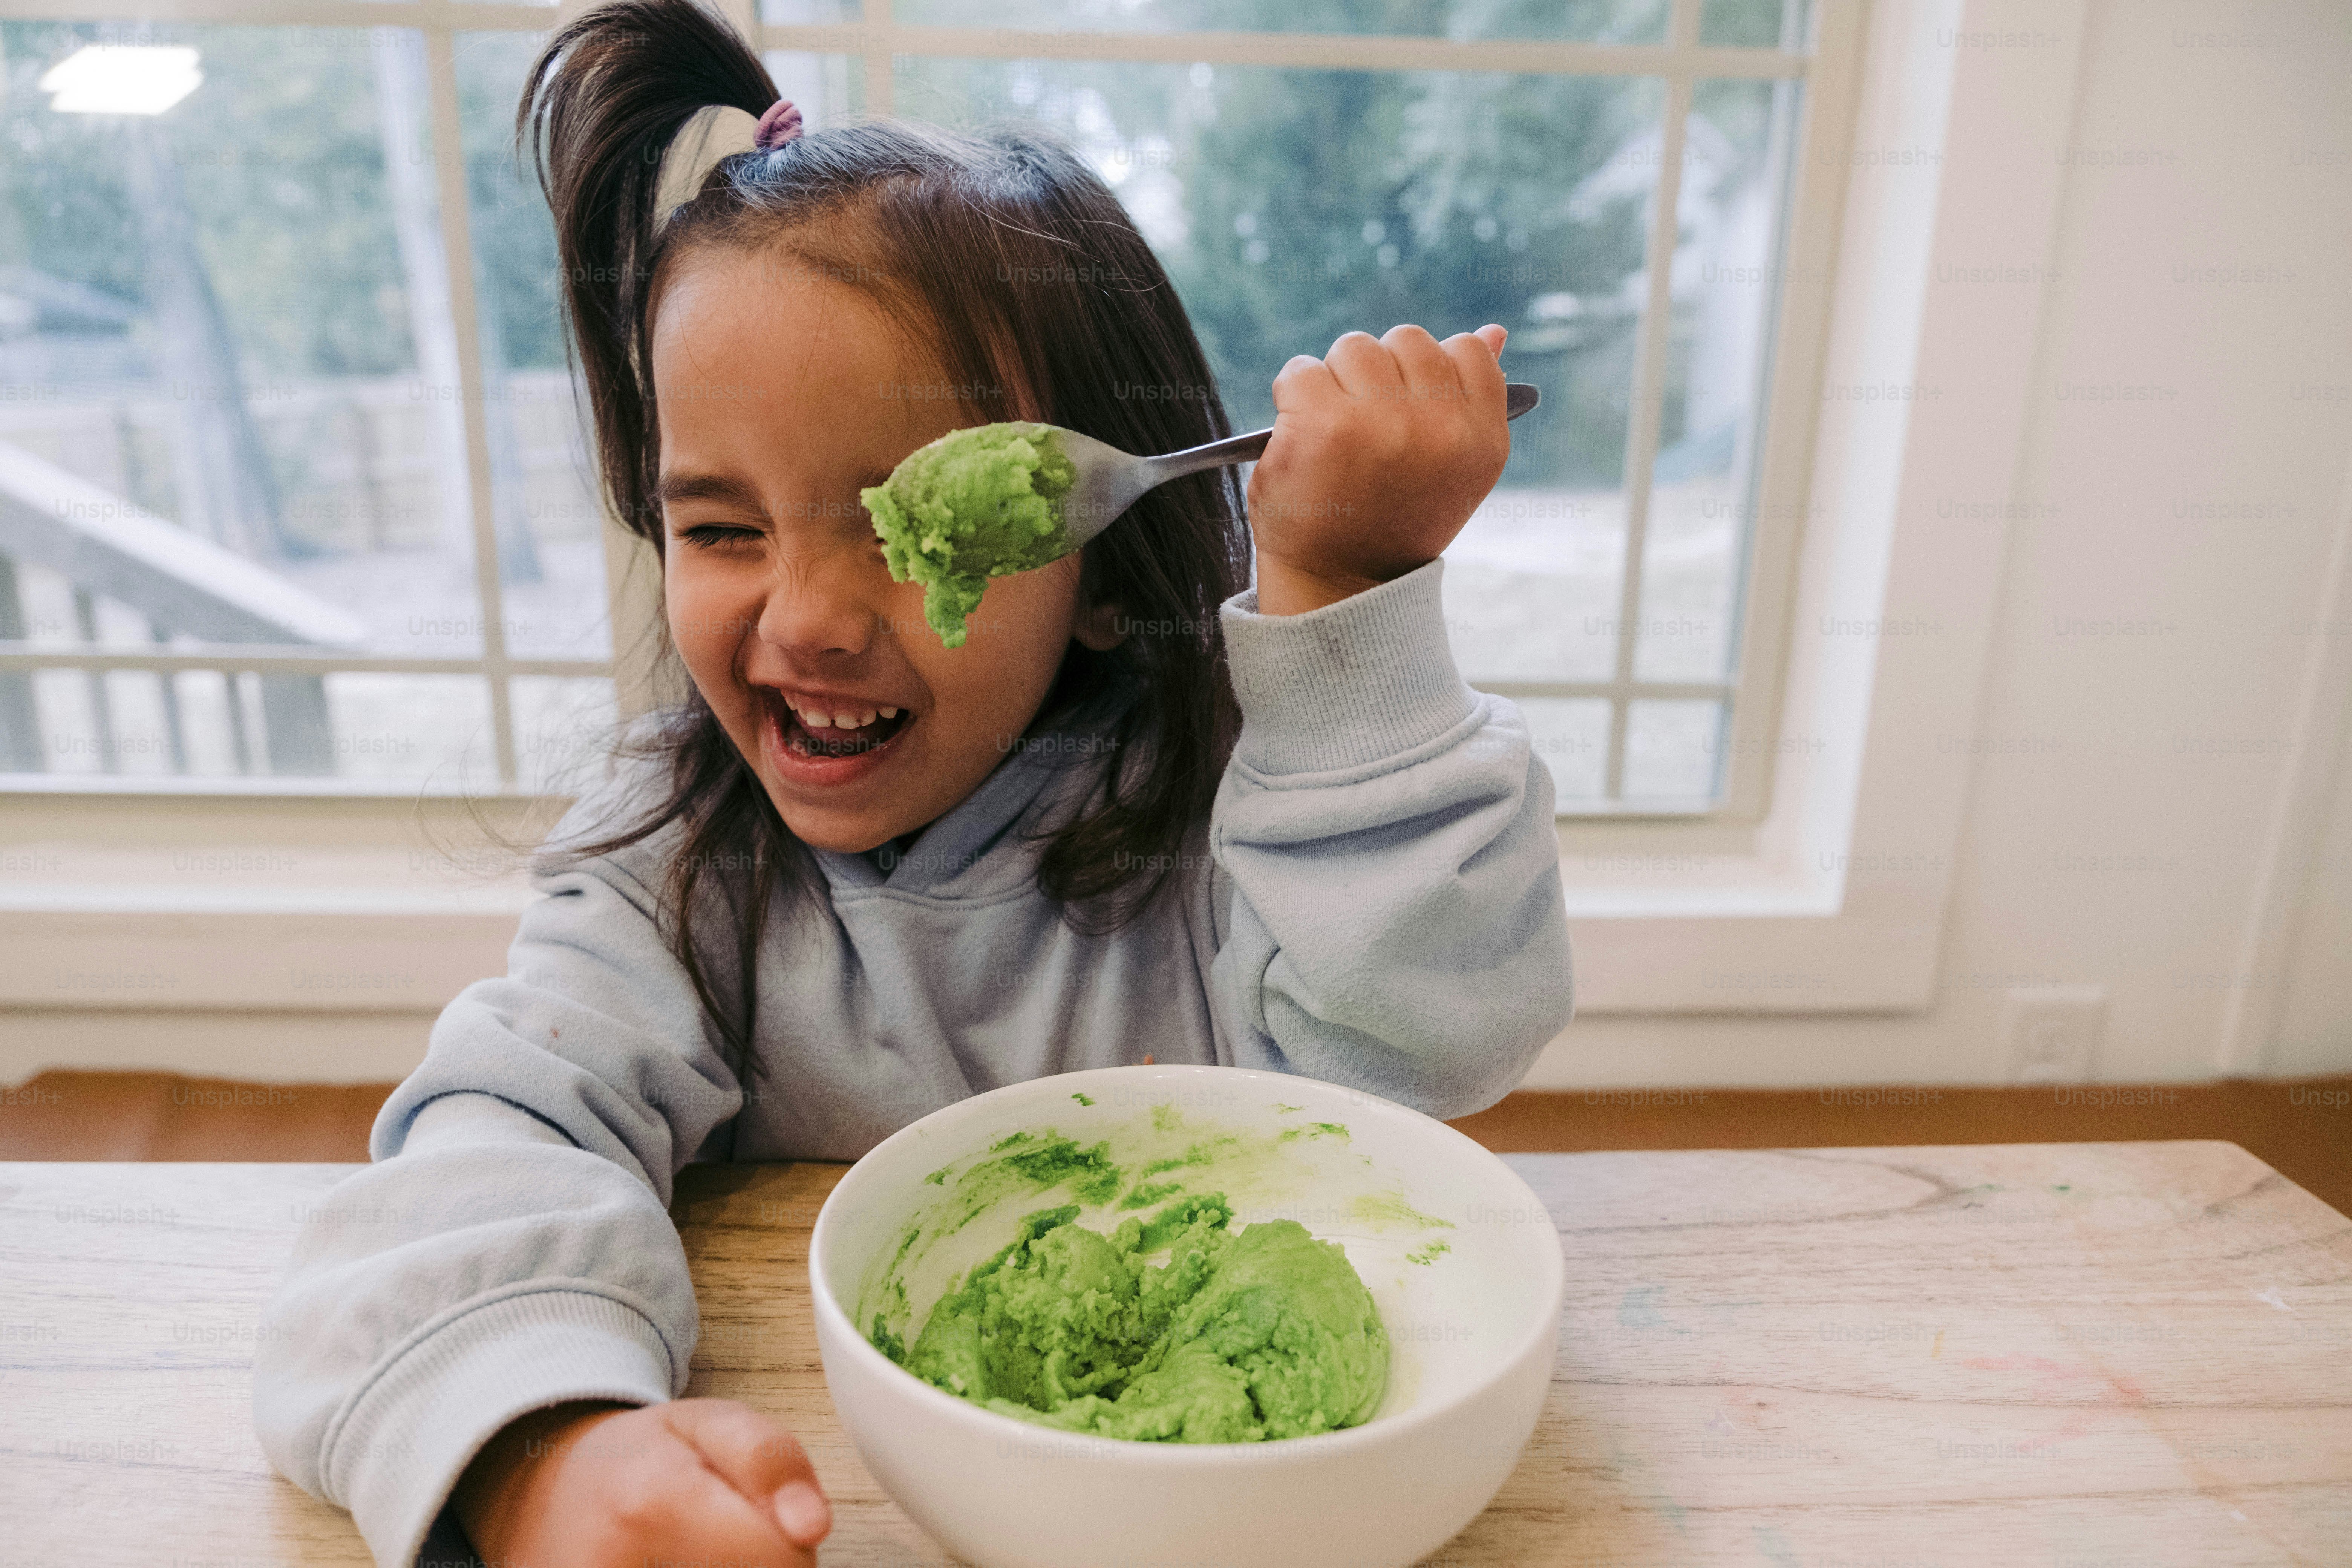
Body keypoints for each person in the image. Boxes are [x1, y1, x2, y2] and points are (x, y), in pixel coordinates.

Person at [253, 1, 1573, 1563]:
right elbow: (482, 1153)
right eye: (724, 529)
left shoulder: (1238, 822)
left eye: (902, 523)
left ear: (1097, 562)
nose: (803, 617)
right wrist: (542, 1449)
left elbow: (1421, 1060)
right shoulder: (673, 877)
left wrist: (1350, 608)